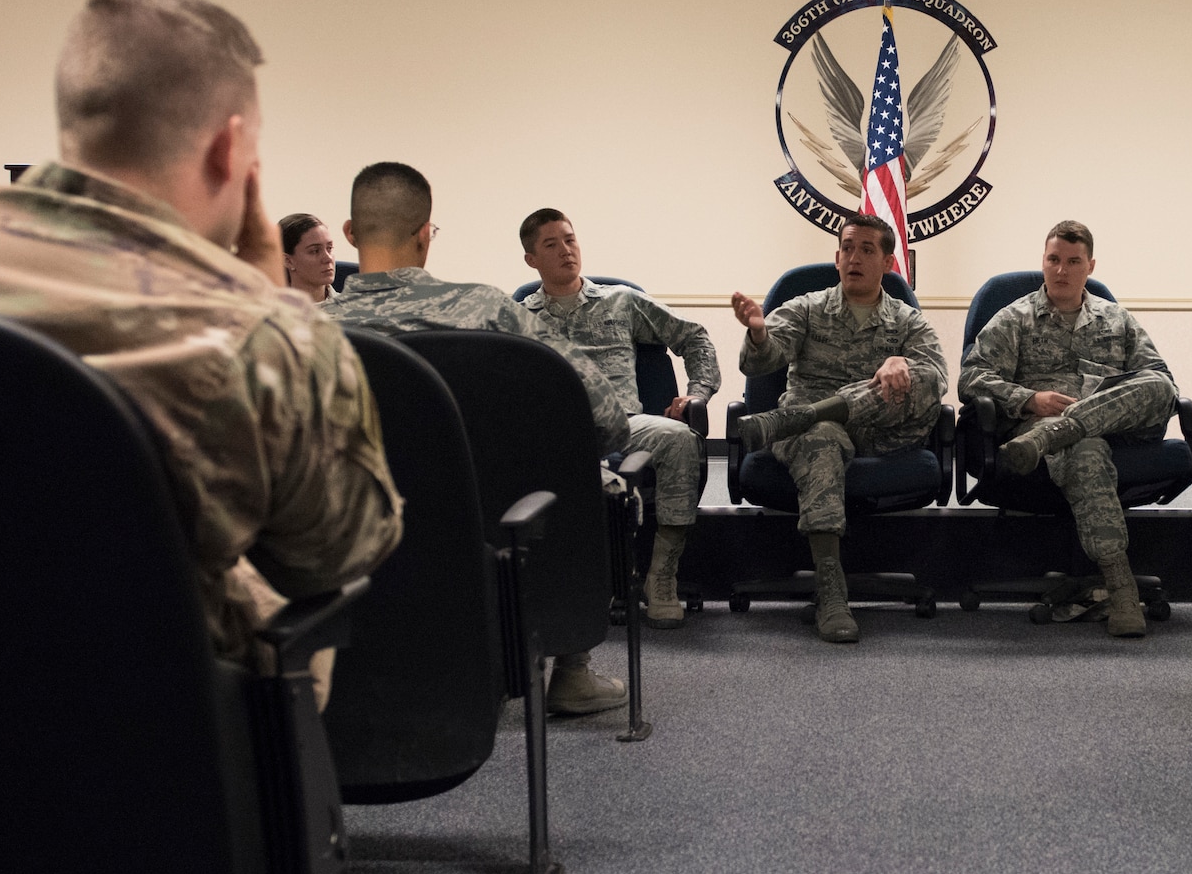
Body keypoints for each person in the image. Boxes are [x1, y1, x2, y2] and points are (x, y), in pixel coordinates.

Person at [0, 0, 405, 874]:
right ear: (234, 151)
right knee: (280, 610)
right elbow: (344, 549)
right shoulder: (254, 331)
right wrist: (281, 307)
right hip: (120, 739)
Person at [323, 163, 629, 715]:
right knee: (589, 479)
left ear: (350, 234)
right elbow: (604, 414)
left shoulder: (306, 330)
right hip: (489, 527)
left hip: (356, 540)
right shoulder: (488, 311)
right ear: (424, 234)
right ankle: (570, 670)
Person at [958, 220, 1181, 637]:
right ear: (1043, 262)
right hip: (1046, 425)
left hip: (1115, 426)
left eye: (1073, 262)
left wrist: (1094, 411)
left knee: (1158, 385)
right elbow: (972, 378)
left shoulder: (1117, 319)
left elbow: (1158, 378)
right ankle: (1120, 587)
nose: (1061, 271)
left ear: (1090, 266)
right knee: (1085, 448)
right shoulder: (1014, 318)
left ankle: (1061, 430)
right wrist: (1029, 399)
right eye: (1054, 260)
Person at [730, 214, 946, 643]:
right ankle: (831, 588)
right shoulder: (807, 308)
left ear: (887, 263)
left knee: (917, 380)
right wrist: (757, 334)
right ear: (837, 257)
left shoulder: (907, 320)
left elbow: (937, 379)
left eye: (867, 249)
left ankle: (802, 416)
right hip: (814, 436)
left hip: (880, 433)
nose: (855, 257)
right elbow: (760, 362)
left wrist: (899, 363)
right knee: (822, 436)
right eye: (848, 248)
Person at [519, 208, 721, 629]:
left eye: (570, 239)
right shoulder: (519, 317)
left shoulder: (621, 302)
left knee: (681, 438)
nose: (566, 251)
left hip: (625, 425)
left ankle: (661, 578)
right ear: (531, 260)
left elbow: (694, 336)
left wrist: (697, 393)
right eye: (551, 245)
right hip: (556, 433)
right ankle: (572, 582)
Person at [279, 211, 338, 303]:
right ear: (288, 261)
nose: (328, 258)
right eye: (315, 251)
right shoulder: (269, 313)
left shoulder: (355, 308)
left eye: (329, 248)